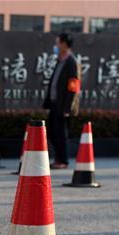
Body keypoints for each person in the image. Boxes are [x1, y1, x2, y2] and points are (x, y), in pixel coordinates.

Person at [42, 33, 80, 169]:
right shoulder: (60, 61)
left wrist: (67, 107)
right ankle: (58, 158)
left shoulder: (71, 62)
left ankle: (63, 160)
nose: (56, 46)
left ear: (64, 44)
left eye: (58, 43)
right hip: (54, 103)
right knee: (52, 132)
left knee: (60, 133)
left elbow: (73, 85)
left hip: (63, 105)